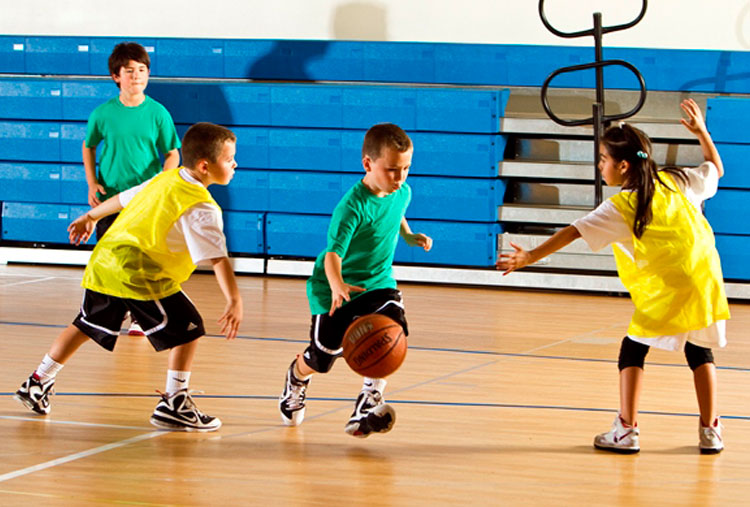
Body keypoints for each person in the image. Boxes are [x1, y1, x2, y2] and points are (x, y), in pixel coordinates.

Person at [497, 99, 730, 454]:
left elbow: (573, 231)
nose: (600, 166)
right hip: (706, 277)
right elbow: (715, 167)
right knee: (700, 350)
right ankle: (710, 430)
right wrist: (702, 133)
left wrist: (530, 256)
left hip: (668, 288)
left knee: (632, 349)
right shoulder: (677, 180)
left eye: (603, 160)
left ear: (622, 166)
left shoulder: (621, 206)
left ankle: (626, 430)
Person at [14, 122, 243, 432]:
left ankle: (37, 382)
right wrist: (234, 299)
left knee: (85, 323)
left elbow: (124, 198)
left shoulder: (167, 178)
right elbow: (217, 258)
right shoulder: (201, 206)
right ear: (205, 166)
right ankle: (174, 403)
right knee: (189, 328)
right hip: (139, 273)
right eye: (230, 159)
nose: (235, 164)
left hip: (107, 262)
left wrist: (91, 216)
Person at [278, 123, 433, 438]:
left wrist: (409, 235)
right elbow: (334, 254)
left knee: (393, 329)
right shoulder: (351, 207)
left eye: (406, 168)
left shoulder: (402, 191)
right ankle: (296, 377)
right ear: (368, 164)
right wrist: (337, 285)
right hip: (335, 287)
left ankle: (368, 401)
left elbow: (397, 211)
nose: (400, 177)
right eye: (392, 169)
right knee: (322, 357)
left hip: (377, 283)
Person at [83, 41, 181, 336]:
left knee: (143, 258)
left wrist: (160, 185)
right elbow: (89, 146)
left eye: (142, 70)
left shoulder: (158, 113)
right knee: (112, 256)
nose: (137, 76)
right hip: (110, 196)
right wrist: (92, 182)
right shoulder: (102, 113)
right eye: (129, 71)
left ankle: (141, 315)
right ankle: (109, 312)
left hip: (145, 201)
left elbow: (173, 153)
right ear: (116, 76)